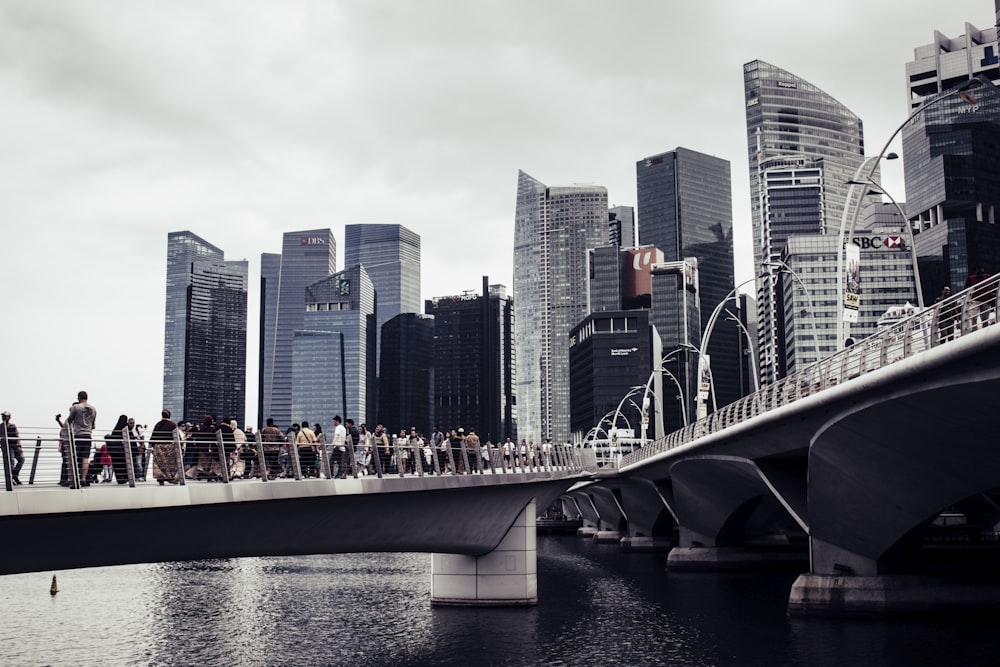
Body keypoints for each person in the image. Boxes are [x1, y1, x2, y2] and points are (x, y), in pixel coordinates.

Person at [67, 391, 97, 487]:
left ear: (79, 398)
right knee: (85, 458)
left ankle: (73, 478)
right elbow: (93, 425)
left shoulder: (75, 407)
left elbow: (69, 420)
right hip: (88, 436)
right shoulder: (93, 409)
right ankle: (83, 478)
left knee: (74, 458)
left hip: (78, 435)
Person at [150, 409, 178, 485]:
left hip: (158, 446)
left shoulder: (158, 424)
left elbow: (153, 435)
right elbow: (176, 436)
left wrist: (152, 445)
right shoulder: (173, 424)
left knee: (159, 463)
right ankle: (170, 477)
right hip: (169, 447)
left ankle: (160, 478)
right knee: (170, 463)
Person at [106, 414, 130, 484]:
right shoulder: (125, 429)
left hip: (114, 452)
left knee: (116, 465)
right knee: (123, 465)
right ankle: (124, 478)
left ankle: (119, 479)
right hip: (121, 452)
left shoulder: (115, 430)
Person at [2, 411, 23, 485]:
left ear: (9, 417)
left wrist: (19, 446)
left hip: (15, 446)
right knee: (11, 462)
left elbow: (17, 435)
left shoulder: (12, 425)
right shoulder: (1, 426)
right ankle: (11, 479)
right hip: (8, 447)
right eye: (3, 416)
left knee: (21, 459)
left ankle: (14, 474)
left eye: (5, 416)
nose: (3, 418)